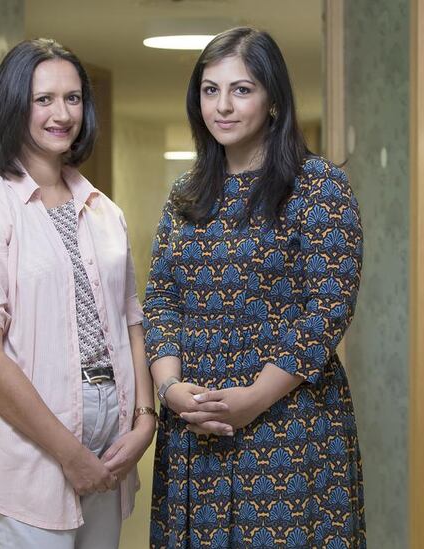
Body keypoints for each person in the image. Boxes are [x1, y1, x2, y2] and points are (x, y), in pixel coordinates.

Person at [144, 27, 366, 548]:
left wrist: (252, 399)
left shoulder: (317, 186)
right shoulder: (187, 192)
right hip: (197, 424)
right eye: (210, 89)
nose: (222, 105)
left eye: (241, 89)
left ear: (272, 100)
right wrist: (172, 390)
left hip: (287, 422)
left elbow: (327, 309)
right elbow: (160, 299)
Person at [0, 39, 156, 548]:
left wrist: (144, 420)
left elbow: (130, 321)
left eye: (73, 98)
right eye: (44, 100)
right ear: (15, 106)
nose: (63, 114)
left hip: (111, 447)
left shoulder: (103, 211)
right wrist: (71, 456)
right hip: (30, 452)